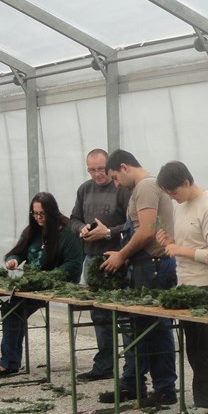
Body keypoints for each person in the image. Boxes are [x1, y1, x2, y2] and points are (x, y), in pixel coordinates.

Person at [99, 149, 178, 407]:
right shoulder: (143, 188)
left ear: (124, 167)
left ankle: (165, 389)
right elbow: (145, 229)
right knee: (140, 328)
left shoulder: (145, 186)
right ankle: (133, 384)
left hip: (155, 266)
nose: (116, 183)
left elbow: (146, 232)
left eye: (114, 177)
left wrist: (121, 255)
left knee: (155, 329)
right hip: (145, 264)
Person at [155, 161, 208, 414]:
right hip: (186, 284)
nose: (173, 199)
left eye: (174, 192)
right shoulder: (182, 206)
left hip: (207, 286)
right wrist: (171, 242)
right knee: (194, 347)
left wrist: (180, 250)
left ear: (186, 182)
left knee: (204, 347)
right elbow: (189, 244)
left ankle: (207, 404)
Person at [0, 192, 82, 376]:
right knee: (11, 309)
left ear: (52, 212)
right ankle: (10, 361)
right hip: (33, 285)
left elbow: (73, 265)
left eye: (42, 214)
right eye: (35, 213)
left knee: (12, 310)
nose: (38, 218)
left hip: (56, 285)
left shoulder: (68, 232)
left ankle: (9, 362)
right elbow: (18, 252)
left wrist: (47, 279)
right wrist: (13, 261)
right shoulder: (32, 231)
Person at [69, 148, 131, 382]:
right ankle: (104, 364)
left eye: (101, 169)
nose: (97, 174)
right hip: (91, 259)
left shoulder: (121, 188)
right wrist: (81, 229)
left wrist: (108, 233)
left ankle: (131, 371)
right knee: (100, 315)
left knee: (124, 316)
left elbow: (131, 225)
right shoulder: (85, 189)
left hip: (117, 259)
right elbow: (73, 219)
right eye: (92, 170)